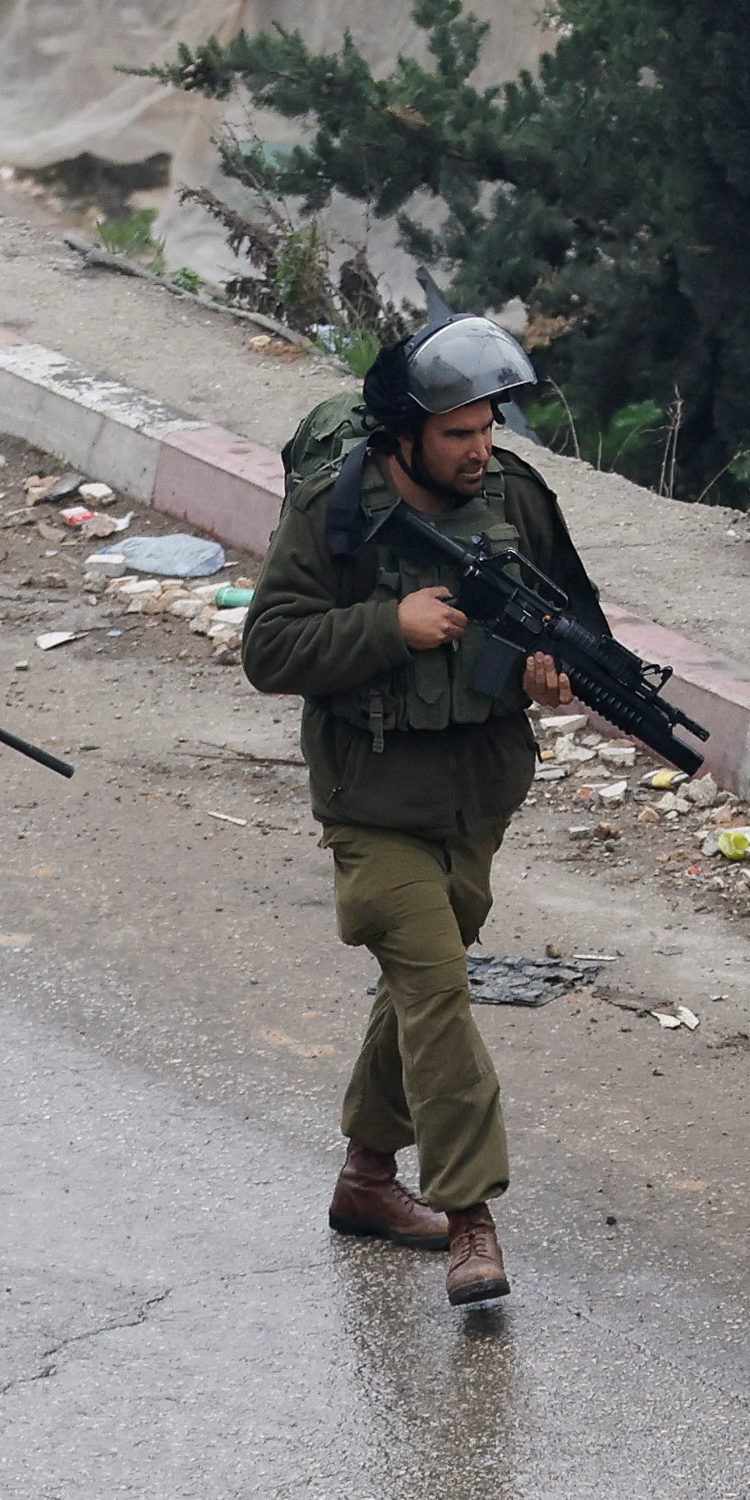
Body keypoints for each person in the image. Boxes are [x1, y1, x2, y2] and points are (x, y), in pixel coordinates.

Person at [235, 313, 594, 1309]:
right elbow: (269, 648)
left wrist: (551, 673)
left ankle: (363, 1177)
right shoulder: (336, 506)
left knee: (413, 991)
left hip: (478, 795)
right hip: (371, 799)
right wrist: (389, 626)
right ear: (405, 436)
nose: (480, 450)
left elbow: (570, 617)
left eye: (488, 428)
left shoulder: (516, 494)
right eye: (457, 434)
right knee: (438, 995)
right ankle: (470, 1216)